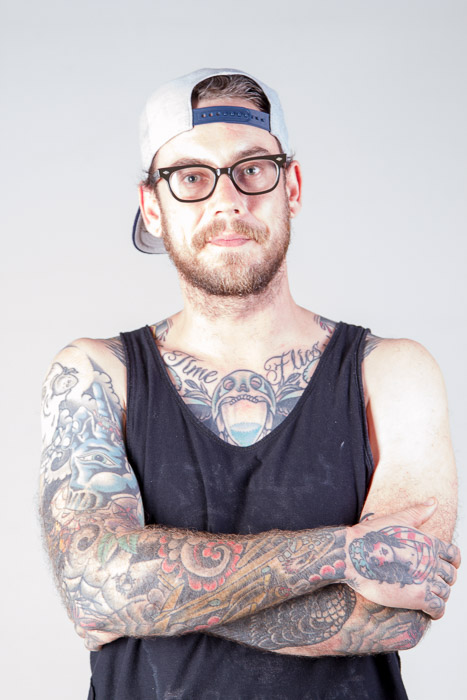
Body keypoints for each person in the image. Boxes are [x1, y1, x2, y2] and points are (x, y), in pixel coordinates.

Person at [40, 68, 460, 700]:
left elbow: (397, 614)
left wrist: (147, 597)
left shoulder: (393, 372)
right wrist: (344, 552)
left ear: (291, 185)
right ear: (152, 205)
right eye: (190, 177)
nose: (227, 201)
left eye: (253, 169)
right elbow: (92, 586)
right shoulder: (96, 373)